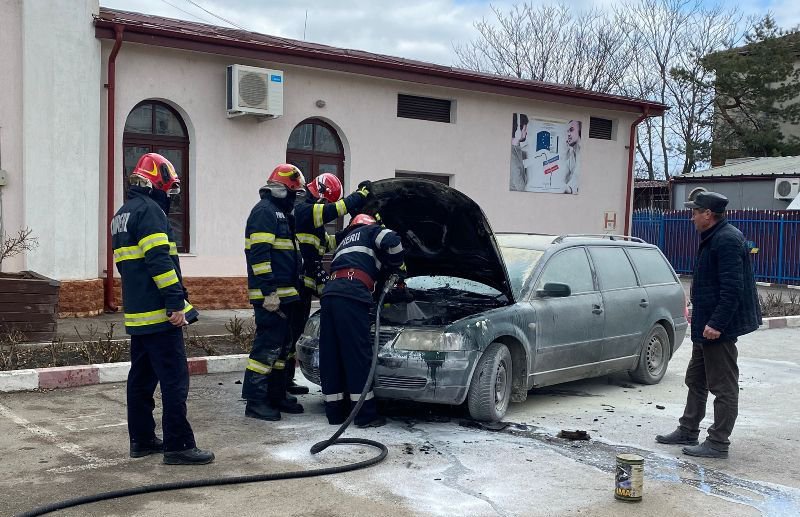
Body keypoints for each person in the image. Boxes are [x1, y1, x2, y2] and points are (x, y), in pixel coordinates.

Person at [111, 152, 214, 465]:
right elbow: (159, 261)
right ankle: (178, 445)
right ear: (157, 181)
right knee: (174, 379)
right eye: (168, 188)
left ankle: (141, 440)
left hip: (138, 314)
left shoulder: (123, 213)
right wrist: (175, 303)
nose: (170, 196)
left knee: (141, 379)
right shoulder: (151, 212)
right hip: (160, 314)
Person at [655, 192, 761, 458]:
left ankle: (718, 442)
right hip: (706, 326)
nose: (692, 217)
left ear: (708, 215)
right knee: (696, 379)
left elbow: (732, 289)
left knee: (723, 386)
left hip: (718, 330)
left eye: (695, 212)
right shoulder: (714, 237)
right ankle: (688, 429)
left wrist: (716, 324)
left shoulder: (726, 240)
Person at [319, 213, 406, 428]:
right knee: (357, 354)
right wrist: (397, 266)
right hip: (351, 293)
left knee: (332, 355)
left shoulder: (345, 242)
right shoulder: (371, 231)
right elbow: (393, 241)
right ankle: (365, 415)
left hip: (330, 294)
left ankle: (335, 413)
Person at [288, 173, 372, 395]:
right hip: (297, 283)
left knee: (295, 332)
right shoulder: (304, 209)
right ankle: (276, 387)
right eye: (326, 201)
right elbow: (331, 211)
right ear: (321, 194)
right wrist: (360, 196)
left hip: (305, 283)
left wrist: (352, 232)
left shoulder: (313, 222)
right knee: (288, 334)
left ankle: (285, 382)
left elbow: (329, 243)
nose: (326, 205)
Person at [242, 163, 306, 421]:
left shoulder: (280, 214)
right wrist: (269, 291)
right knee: (266, 349)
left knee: (283, 349)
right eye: (294, 192)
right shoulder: (264, 212)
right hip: (271, 296)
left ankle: (276, 394)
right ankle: (256, 401)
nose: (295, 198)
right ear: (282, 191)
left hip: (286, 294)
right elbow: (259, 254)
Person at [510, 113, 529, 191]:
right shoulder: (512, 156)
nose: (526, 132)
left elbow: (524, 153)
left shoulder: (516, 149)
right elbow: (521, 188)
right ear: (517, 131)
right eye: (525, 129)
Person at [563, 119, 581, 194]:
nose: (568, 134)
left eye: (571, 130)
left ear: (580, 131)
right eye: (567, 131)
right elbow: (563, 176)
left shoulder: (583, 155)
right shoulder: (571, 153)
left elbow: (572, 187)